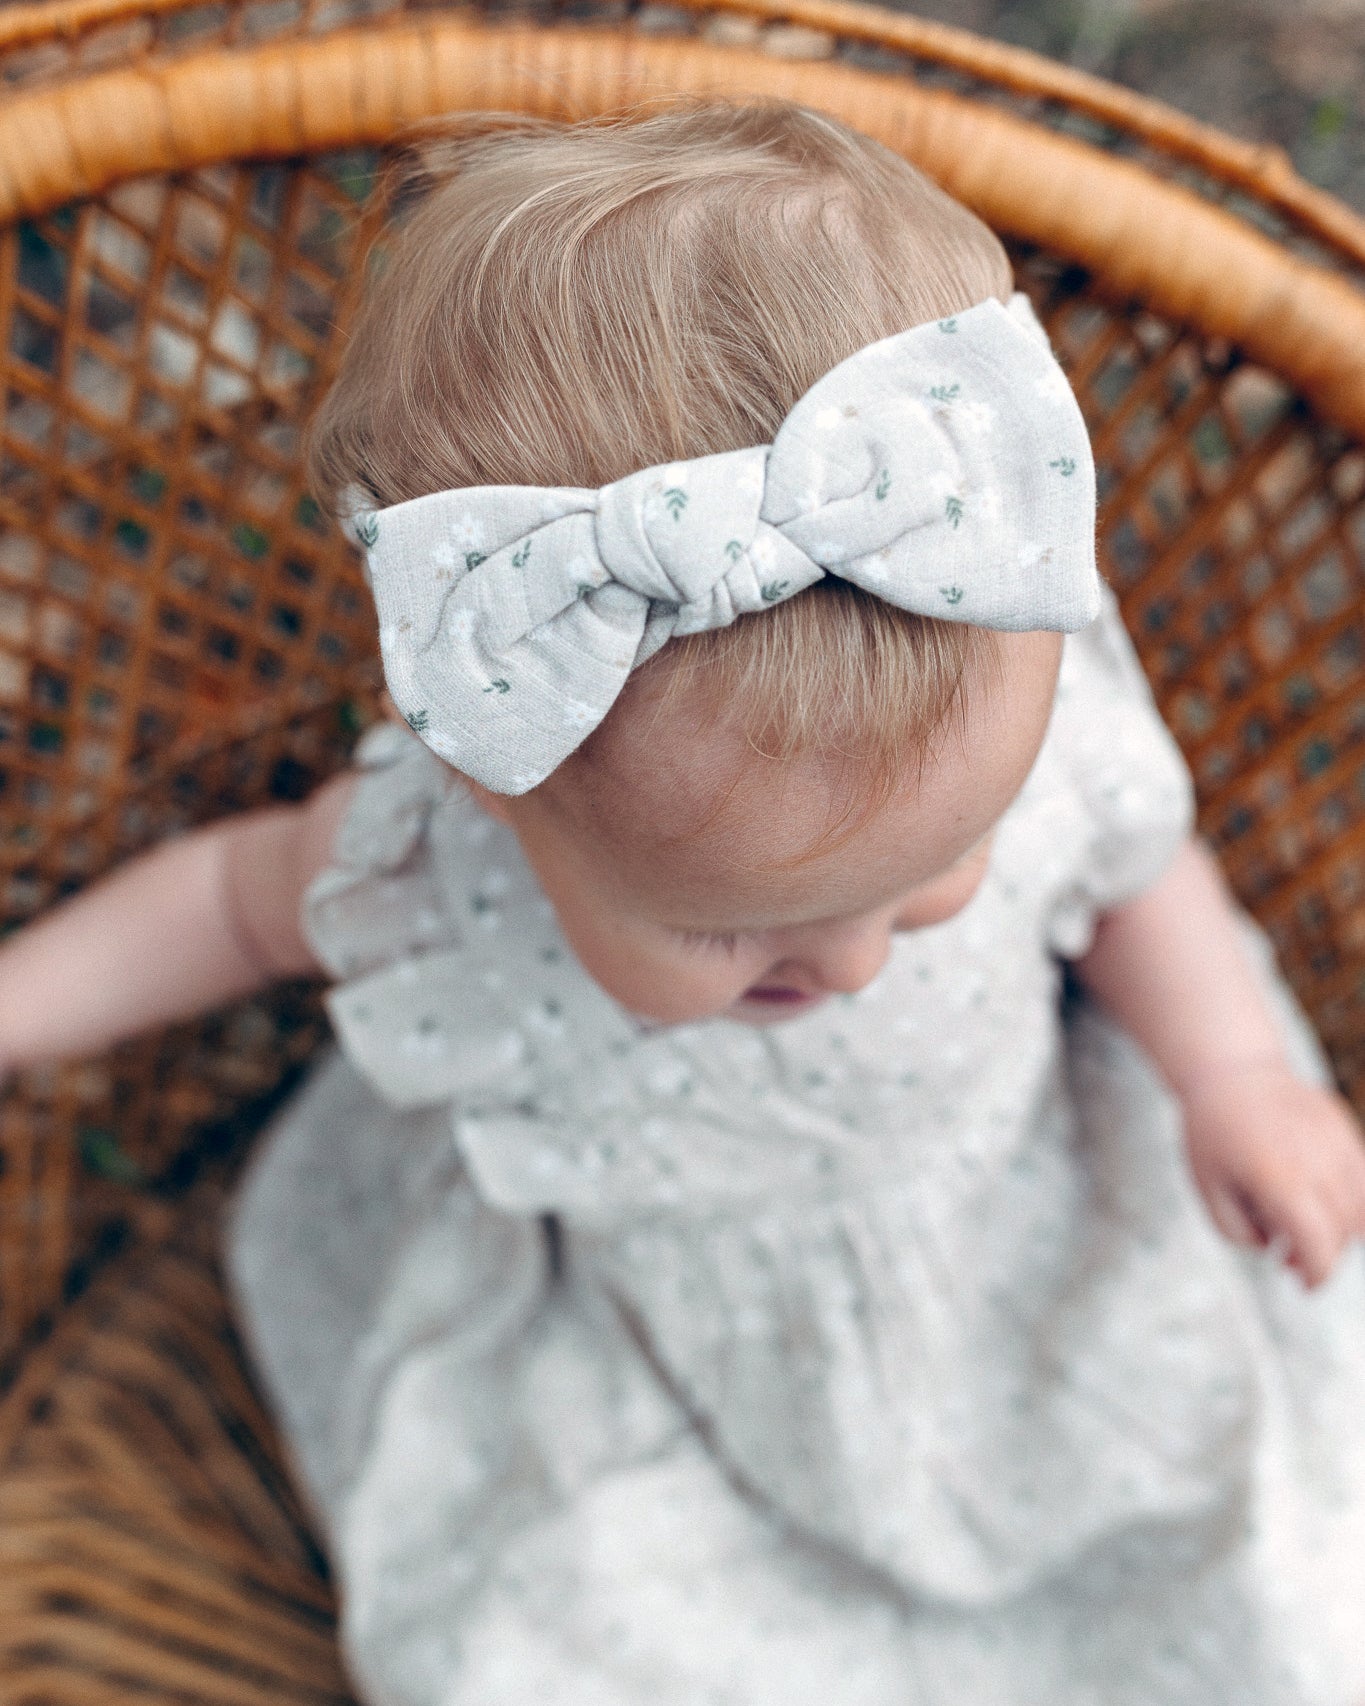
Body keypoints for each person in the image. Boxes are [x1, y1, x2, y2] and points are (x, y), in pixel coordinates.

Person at [2, 98, 1365, 1703]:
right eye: (735, 934)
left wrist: (1231, 1076)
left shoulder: (1008, 679)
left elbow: (1138, 875)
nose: (857, 962)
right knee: (558, 1636)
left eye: (934, 872)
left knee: (1254, 1558)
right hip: (659, 1370)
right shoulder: (445, 856)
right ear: (500, 783)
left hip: (1041, 1264)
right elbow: (232, 908)